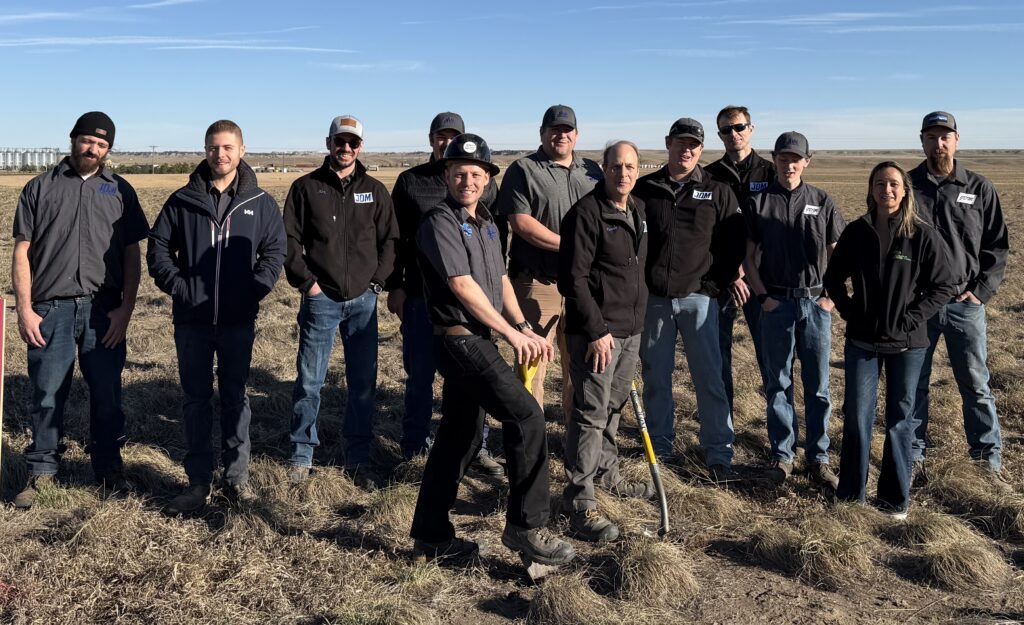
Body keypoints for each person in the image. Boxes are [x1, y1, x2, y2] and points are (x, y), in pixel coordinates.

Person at [409, 133, 575, 568]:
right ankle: (526, 526)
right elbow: (462, 286)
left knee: (457, 438)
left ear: (486, 179)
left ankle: (430, 534)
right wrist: (511, 335)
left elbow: (498, 280)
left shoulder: (484, 223)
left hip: (477, 339)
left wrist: (523, 326)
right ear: (446, 175)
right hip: (458, 339)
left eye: (476, 174)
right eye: (459, 173)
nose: (468, 181)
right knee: (526, 415)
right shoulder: (438, 222)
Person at [11, 112, 149, 509]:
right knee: (47, 394)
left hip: (103, 311)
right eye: (88, 140)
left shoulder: (120, 190)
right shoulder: (40, 187)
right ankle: (41, 472)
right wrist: (24, 309)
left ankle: (107, 468)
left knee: (106, 393)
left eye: (102, 145)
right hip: (49, 309)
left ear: (109, 150)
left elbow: (131, 255)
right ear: (73, 139)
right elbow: (22, 251)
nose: (94, 149)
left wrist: (125, 310)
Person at [148, 119, 286, 514]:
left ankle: (236, 479)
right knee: (194, 400)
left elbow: (275, 252)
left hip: (237, 321)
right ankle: (197, 481)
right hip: (191, 320)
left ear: (242, 151)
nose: (219, 154)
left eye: (227, 147)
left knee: (236, 397)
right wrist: (181, 287)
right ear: (205, 150)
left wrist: (253, 291)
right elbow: (158, 249)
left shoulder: (259, 203)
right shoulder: (182, 200)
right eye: (213, 147)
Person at [825, 161, 956, 519]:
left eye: (894, 184)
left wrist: (913, 317)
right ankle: (852, 495)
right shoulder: (857, 231)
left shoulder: (921, 234)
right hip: (862, 341)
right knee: (857, 416)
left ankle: (895, 500)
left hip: (908, 344)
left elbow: (944, 284)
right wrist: (850, 311)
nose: (887, 190)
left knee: (900, 419)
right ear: (871, 189)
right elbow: (833, 278)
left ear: (904, 190)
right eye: (880, 183)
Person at [283, 115, 399, 488]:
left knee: (362, 382)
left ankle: (358, 456)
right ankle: (302, 454)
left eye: (352, 143)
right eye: (339, 141)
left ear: (360, 147)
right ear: (328, 142)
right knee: (309, 381)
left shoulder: (376, 190)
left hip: (363, 302)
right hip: (321, 301)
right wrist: (309, 285)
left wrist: (377, 283)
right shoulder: (306, 188)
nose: (345, 148)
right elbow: (289, 241)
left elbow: (390, 242)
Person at [386, 112, 503, 476]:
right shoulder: (410, 182)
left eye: (452, 136)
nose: (444, 141)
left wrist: (496, 292)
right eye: (440, 135)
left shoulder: (485, 186)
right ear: (431, 139)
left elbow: (495, 238)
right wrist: (396, 286)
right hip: (422, 298)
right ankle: (415, 447)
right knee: (419, 376)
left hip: (472, 305)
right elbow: (395, 239)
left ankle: (476, 448)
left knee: (471, 381)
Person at [633, 118, 743, 480]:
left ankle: (718, 452)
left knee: (709, 376)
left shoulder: (717, 190)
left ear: (701, 147)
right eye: (680, 142)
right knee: (656, 376)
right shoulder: (645, 189)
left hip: (700, 301)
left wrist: (713, 286)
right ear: (668, 143)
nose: (687, 149)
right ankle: (660, 449)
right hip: (656, 302)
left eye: (694, 144)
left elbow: (733, 244)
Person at [559, 141, 652, 541]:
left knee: (614, 408)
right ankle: (580, 501)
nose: (624, 174)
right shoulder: (586, 214)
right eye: (616, 167)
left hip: (630, 331)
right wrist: (597, 332)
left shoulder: (638, 210)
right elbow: (573, 280)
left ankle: (607, 475)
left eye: (631, 167)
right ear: (603, 169)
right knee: (591, 413)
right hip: (598, 334)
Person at [909, 111, 1010, 477]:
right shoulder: (906, 186)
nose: (939, 143)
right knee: (913, 383)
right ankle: (913, 455)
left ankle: (987, 460)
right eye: (932, 137)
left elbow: (997, 247)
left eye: (945, 136)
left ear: (956, 139)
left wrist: (980, 293)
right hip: (918, 306)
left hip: (963, 305)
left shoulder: (979, 188)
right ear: (921, 140)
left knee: (975, 383)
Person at [743, 131, 845, 487]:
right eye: (783, 159)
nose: (789, 165)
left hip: (815, 304)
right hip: (777, 305)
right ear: (775, 160)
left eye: (795, 159)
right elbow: (749, 258)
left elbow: (838, 254)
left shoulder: (822, 200)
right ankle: (783, 455)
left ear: (806, 162)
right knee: (778, 383)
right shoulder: (760, 202)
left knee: (818, 385)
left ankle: (818, 457)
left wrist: (831, 298)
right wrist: (762, 297)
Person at [497, 105, 603, 419]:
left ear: (576, 134)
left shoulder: (592, 171)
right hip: (538, 282)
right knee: (532, 365)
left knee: (579, 362)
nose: (561, 135)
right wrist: (573, 247)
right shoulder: (524, 169)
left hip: (583, 284)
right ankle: (530, 438)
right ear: (542, 133)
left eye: (567, 129)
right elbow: (521, 223)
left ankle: (575, 431)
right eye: (554, 129)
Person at [704, 105, 776, 409]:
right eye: (725, 130)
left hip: (763, 280)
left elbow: (777, 227)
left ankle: (779, 433)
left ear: (751, 128)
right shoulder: (709, 176)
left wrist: (749, 271)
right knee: (718, 356)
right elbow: (705, 232)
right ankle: (724, 425)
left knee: (771, 356)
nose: (733, 134)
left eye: (739, 127)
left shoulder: (771, 173)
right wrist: (731, 273)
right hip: (722, 281)